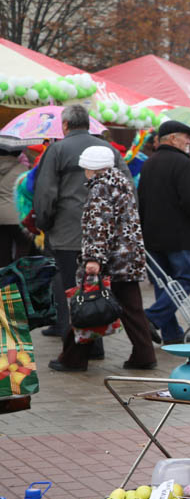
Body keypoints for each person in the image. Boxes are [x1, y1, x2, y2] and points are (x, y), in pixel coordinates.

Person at [49, 146, 156, 372]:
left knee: (86, 304)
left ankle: (73, 359)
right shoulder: (121, 181)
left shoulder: (101, 188)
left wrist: (93, 258)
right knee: (132, 309)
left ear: (91, 167)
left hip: (109, 260)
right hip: (127, 258)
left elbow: (99, 226)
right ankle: (144, 355)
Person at [33, 104, 130, 343]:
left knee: (70, 289)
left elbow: (46, 193)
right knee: (94, 288)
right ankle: (94, 343)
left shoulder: (56, 150)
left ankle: (74, 345)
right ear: (88, 124)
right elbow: (128, 189)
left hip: (66, 232)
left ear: (65, 125)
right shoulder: (108, 149)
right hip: (103, 235)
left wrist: (44, 223)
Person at [138, 120, 190, 344]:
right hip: (178, 234)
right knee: (186, 279)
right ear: (173, 138)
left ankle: (171, 333)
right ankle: (151, 317)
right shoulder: (183, 163)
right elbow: (189, 200)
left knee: (163, 283)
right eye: (185, 136)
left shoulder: (149, 163)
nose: (189, 141)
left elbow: (142, 202)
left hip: (152, 234)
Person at [0, 146, 29, 267]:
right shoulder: (23, 169)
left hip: (1, 217)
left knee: (3, 252)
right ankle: (19, 275)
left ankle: (4, 281)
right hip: (19, 216)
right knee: (23, 247)